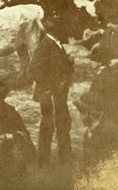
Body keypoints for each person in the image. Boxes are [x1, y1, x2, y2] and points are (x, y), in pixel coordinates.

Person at [28, 18, 74, 166]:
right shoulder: (46, 44)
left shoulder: (54, 42)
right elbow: (33, 68)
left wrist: (68, 61)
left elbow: (55, 64)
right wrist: (52, 86)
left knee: (62, 123)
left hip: (58, 93)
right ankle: (45, 161)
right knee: (50, 126)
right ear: (55, 30)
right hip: (50, 95)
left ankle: (64, 157)